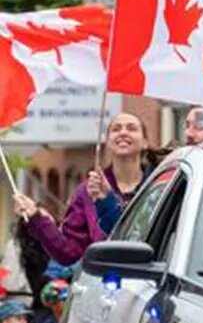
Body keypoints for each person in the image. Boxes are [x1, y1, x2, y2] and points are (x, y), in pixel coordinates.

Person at [16, 112, 152, 264]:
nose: (123, 132)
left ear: (145, 142)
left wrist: (107, 202)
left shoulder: (159, 184)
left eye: (131, 128)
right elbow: (68, 252)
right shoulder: (87, 191)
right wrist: (36, 217)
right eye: (116, 129)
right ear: (107, 141)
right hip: (105, 280)